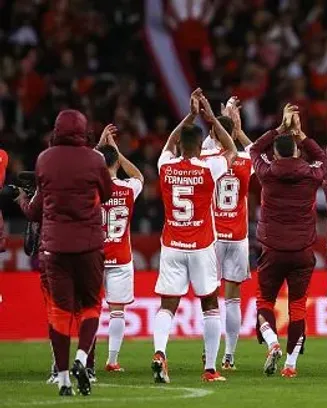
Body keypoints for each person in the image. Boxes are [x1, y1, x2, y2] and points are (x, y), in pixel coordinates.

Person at [17, 109, 114, 396]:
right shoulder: (96, 159)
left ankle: (62, 379)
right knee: (91, 306)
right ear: (83, 130)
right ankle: (82, 359)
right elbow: (106, 193)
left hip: (55, 248)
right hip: (89, 245)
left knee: (59, 313)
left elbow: (35, 210)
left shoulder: (44, 159)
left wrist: (22, 200)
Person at [152, 89, 237, 383]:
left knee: (167, 305)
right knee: (210, 304)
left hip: (172, 244)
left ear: (179, 146)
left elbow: (168, 143)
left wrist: (189, 115)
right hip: (201, 245)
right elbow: (232, 151)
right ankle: (211, 369)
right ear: (200, 146)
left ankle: (160, 353)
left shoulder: (165, 165)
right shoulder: (209, 167)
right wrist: (211, 117)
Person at [250, 104, 327, 378]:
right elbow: (324, 160)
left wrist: (280, 129)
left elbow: (254, 150)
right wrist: (301, 134)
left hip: (272, 250)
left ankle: (272, 343)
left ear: (275, 153)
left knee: (264, 301)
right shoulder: (310, 173)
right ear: (296, 151)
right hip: (302, 252)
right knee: (297, 307)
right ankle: (291, 365)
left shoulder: (267, 172)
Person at [201, 97, 253, 370]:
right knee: (233, 297)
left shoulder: (206, 158)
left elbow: (212, 141)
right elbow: (256, 150)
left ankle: (209, 349)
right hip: (238, 237)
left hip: (212, 237)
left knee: (209, 295)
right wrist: (237, 128)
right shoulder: (245, 160)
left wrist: (218, 121)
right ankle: (229, 354)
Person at [96, 129, 144, 373]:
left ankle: (85, 356)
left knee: (89, 310)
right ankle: (112, 360)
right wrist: (117, 150)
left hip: (94, 255)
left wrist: (99, 149)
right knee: (117, 312)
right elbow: (139, 175)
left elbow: (81, 172)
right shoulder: (128, 189)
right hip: (121, 258)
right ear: (116, 163)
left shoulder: (91, 191)